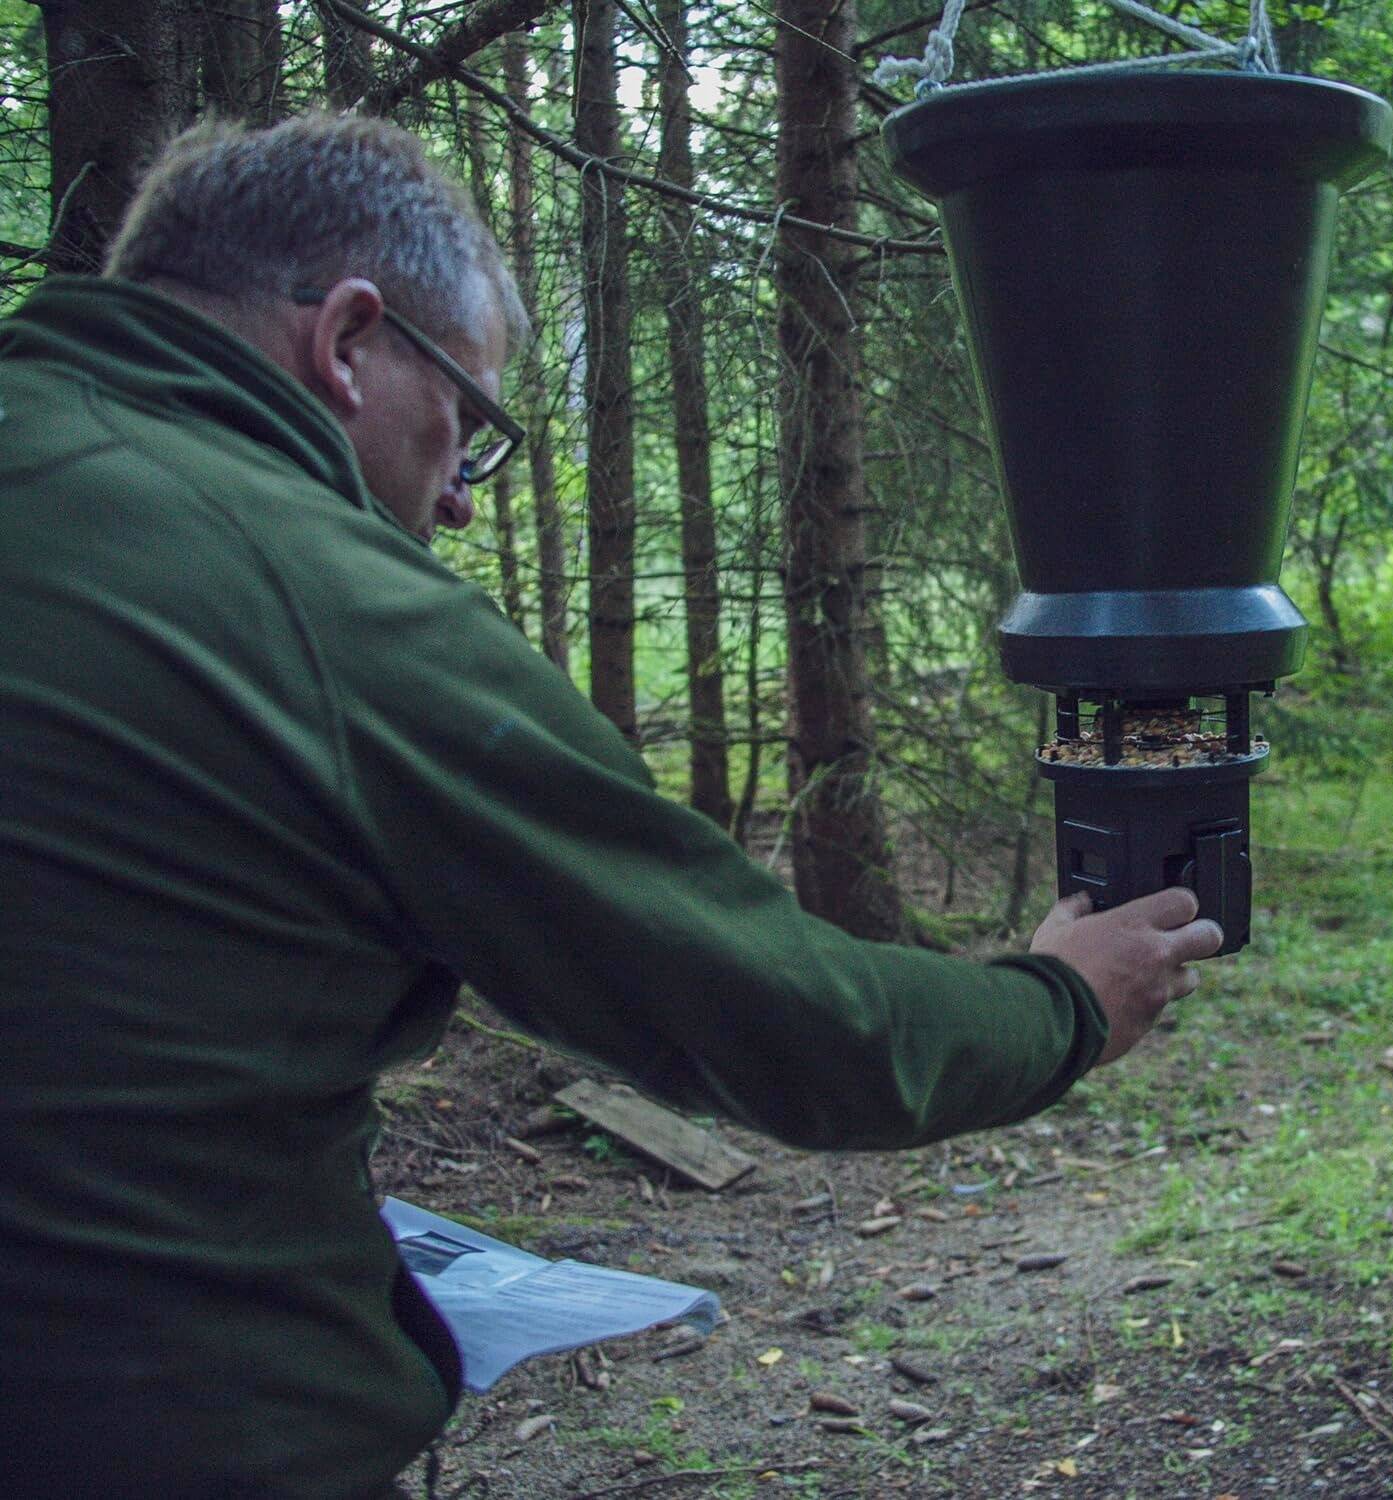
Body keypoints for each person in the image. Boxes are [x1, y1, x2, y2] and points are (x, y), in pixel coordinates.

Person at [0, 113, 1221, 1498]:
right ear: (346, 343)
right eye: (468, 423)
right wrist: (1061, 1002)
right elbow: (787, 1024)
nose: (462, 502)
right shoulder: (318, 602)